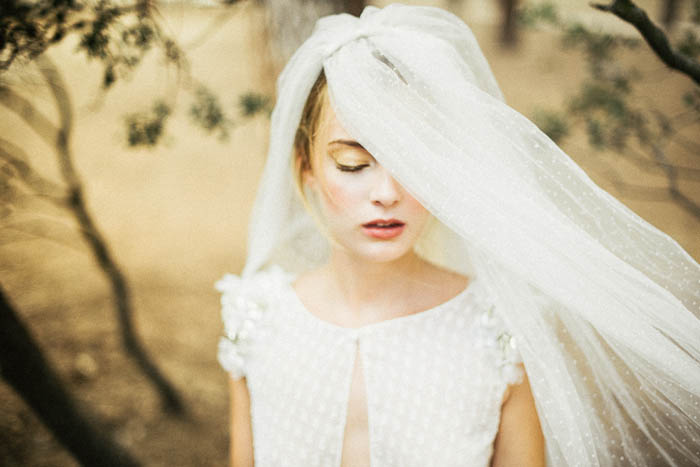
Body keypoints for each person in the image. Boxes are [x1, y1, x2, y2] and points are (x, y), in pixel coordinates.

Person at [216, 4, 700, 467]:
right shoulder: (257, 320)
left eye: (411, 162)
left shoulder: (497, 332)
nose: (386, 193)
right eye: (353, 163)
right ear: (306, 168)